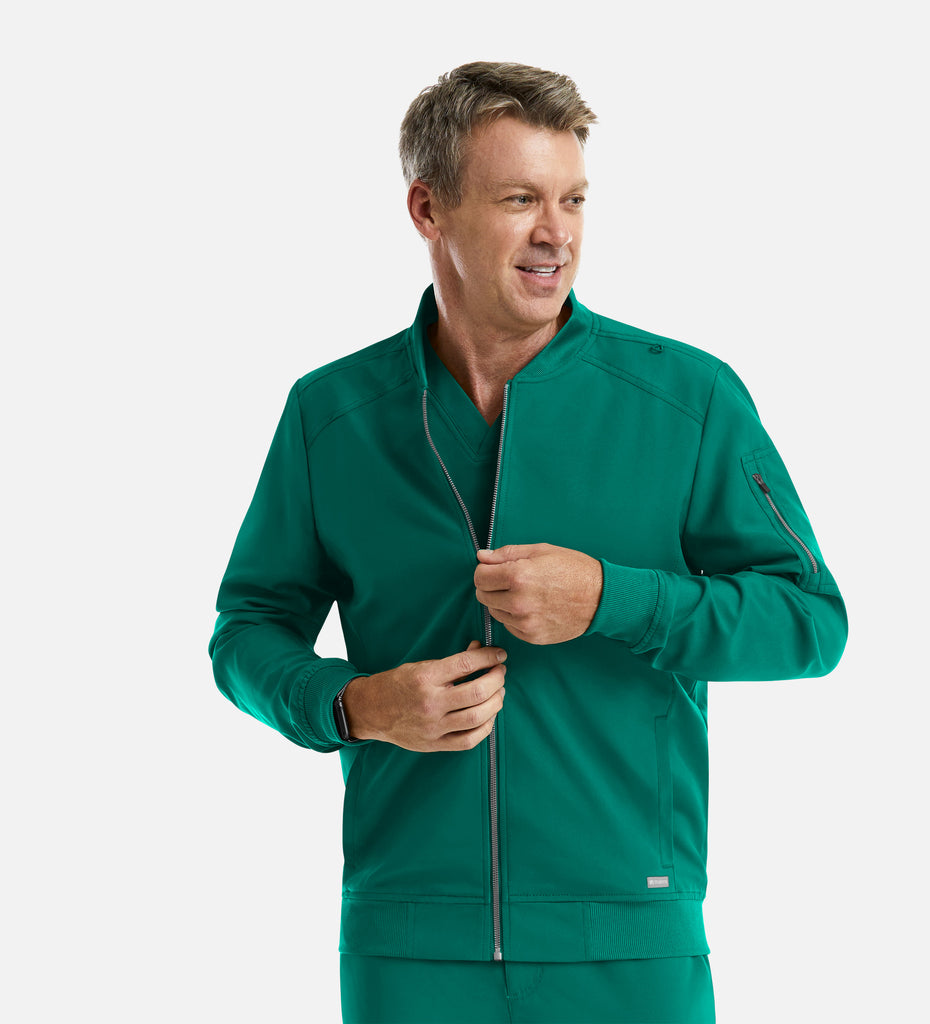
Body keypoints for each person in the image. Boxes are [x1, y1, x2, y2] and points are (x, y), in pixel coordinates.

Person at [209, 61, 848, 1024]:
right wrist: (351, 704)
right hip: (409, 942)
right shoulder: (330, 416)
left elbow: (810, 622)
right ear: (428, 209)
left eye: (573, 199)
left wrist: (613, 599)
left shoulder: (688, 400)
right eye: (520, 200)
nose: (558, 232)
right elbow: (247, 629)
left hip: (629, 938)